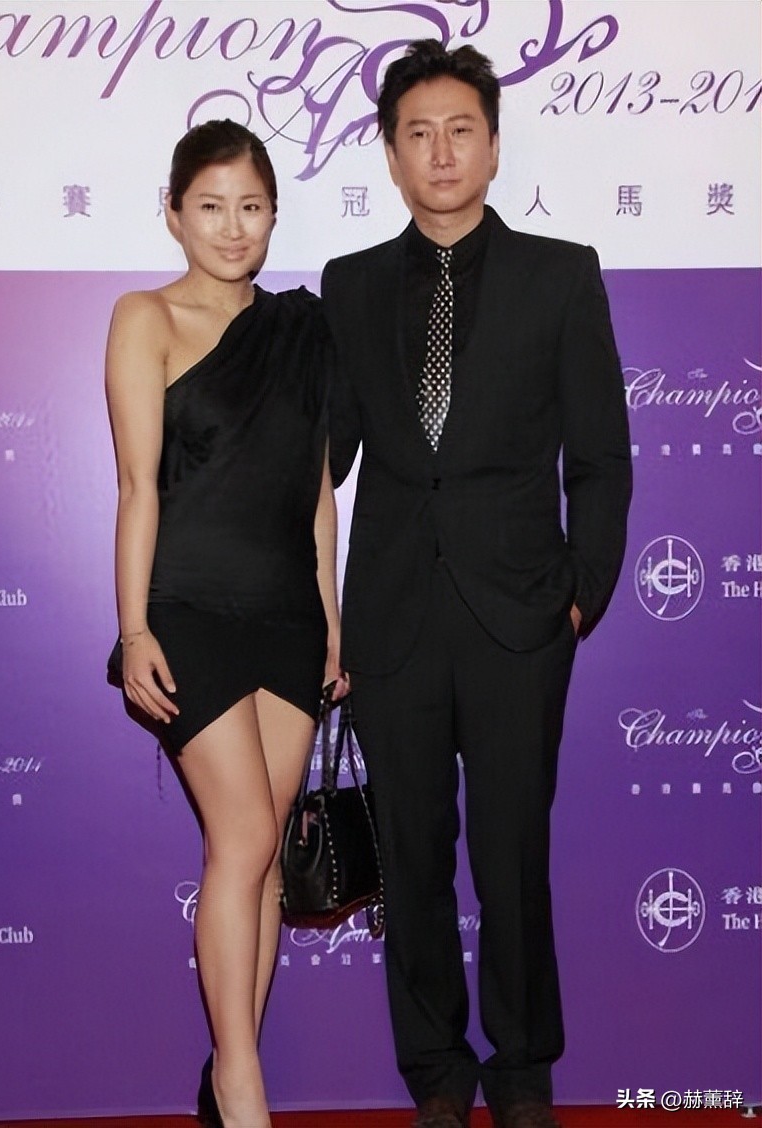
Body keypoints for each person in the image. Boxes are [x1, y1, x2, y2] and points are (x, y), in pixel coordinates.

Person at [322, 40, 631, 1128]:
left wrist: (580, 591)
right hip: (392, 623)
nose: (441, 152)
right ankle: (438, 1076)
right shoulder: (350, 286)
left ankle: (523, 1069)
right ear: (391, 154)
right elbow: (325, 460)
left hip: (519, 621)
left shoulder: (561, 273)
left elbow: (600, 457)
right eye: (418, 134)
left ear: (493, 147)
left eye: (461, 131)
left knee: (512, 860)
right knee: (410, 862)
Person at [105, 119, 346, 1128]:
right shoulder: (144, 317)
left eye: (250, 206)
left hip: (290, 613)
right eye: (210, 205)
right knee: (241, 836)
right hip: (190, 612)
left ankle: (225, 1074)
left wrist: (332, 623)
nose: (232, 225)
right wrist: (134, 631)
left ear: (273, 214)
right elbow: (136, 486)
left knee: (264, 861)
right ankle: (243, 1084)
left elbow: (318, 491)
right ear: (173, 213)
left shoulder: (302, 327)